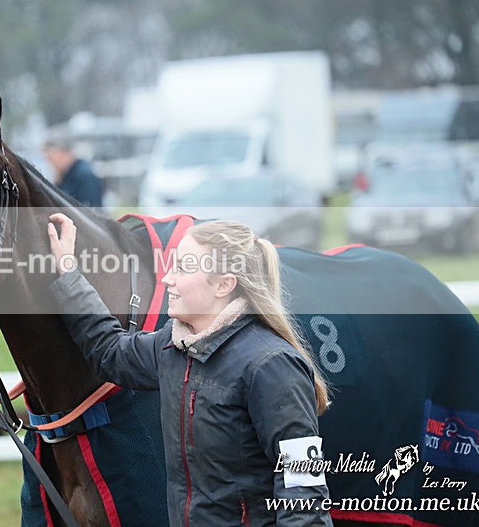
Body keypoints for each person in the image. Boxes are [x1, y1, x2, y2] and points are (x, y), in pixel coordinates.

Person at [46, 214, 332, 526]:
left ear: (224, 284)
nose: (167, 279)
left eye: (183, 268)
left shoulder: (272, 366)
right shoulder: (173, 346)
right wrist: (70, 274)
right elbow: (110, 352)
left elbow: (303, 489)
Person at [42, 136, 104, 207]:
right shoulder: (64, 175)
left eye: (50, 158)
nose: (49, 163)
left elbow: (91, 210)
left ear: (63, 153)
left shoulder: (85, 175)